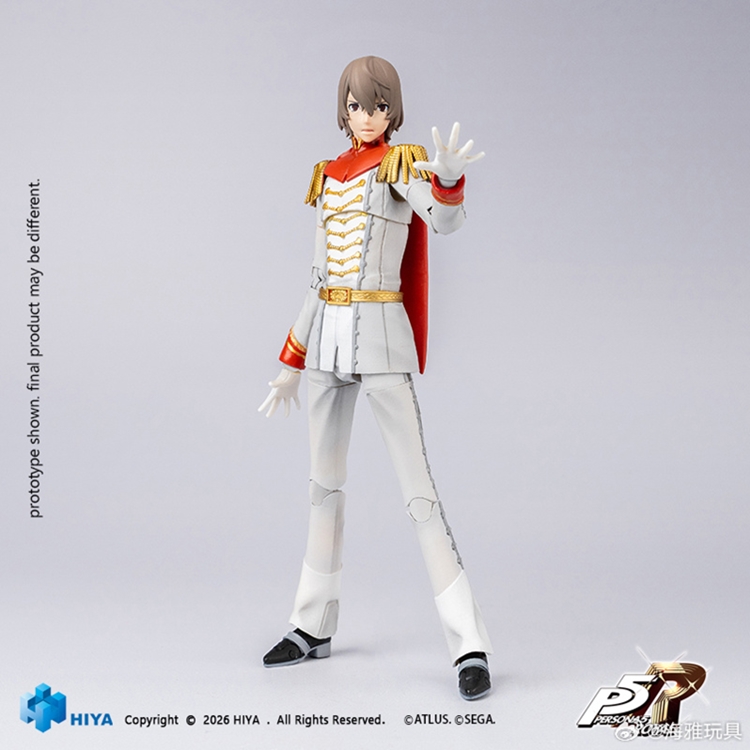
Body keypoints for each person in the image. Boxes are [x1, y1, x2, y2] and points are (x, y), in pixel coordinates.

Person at [259, 56, 492, 700]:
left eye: (378, 105)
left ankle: (468, 643)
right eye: (357, 105)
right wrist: (289, 362)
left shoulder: (400, 165)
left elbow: (443, 219)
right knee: (322, 489)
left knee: (419, 495)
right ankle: (312, 625)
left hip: (382, 335)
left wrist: (449, 178)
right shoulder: (328, 175)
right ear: (345, 109)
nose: (367, 116)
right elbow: (317, 280)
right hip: (326, 345)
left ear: (393, 110)